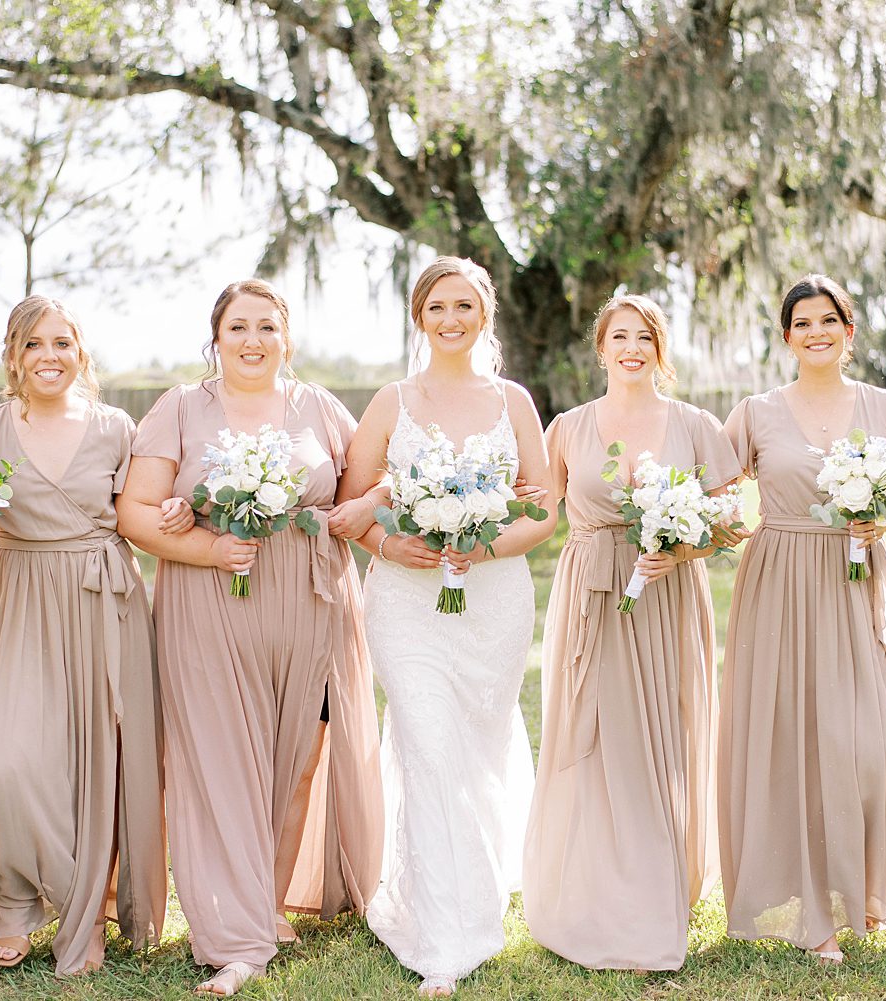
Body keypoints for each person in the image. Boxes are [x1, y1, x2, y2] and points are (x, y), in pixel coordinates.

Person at [117, 279, 384, 997]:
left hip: (310, 597)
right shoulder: (179, 407)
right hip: (210, 601)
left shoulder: (320, 408)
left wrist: (361, 512)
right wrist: (201, 541)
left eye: (268, 326)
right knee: (221, 759)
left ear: (286, 338)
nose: (253, 339)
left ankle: (263, 899)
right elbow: (135, 514)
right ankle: (235, 935)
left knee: (297, 754)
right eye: (239, 326)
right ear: (216, 337)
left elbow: (367, 490)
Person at [339, 256, 556, 996]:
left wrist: (481, 542)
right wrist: (387, 542)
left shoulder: (514, 401)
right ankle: (443, 936)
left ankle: (477, 877)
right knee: (427, 741)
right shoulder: (392, 399)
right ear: (418, 317)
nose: (451, 318)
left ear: (484, 314)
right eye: (437, 306)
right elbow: (352, 497)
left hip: (494, 598)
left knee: (478, 742)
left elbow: (543, 506)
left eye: (465, 305)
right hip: (404, 599)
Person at [718, 274, 886, 963]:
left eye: (829, 321)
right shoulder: (757, 411)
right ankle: (815, 913)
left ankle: (865, 890)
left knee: (867, 744)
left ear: (850, 332)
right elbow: (716, 492)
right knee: (793, 740)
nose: (815, 332)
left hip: (856, 583)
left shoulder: (885, 407)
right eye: (802, 323)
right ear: (786, 337)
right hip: (780, 581)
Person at [522, 294, 740, 971]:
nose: (632, 348)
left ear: (660, 347)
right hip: (591, 592)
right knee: (594, 734)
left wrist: (681, 549)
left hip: (668, 596)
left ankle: (658, 887)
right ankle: (595, 889)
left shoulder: (696, 423)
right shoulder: (569, 427)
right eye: (619, 336)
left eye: (644, 336)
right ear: (601, 347)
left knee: (662, 737)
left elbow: (733, 516)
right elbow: (537, 512)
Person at [0, 295, 166, 975]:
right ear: (13, 356)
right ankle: (13, 905)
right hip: (22, 598)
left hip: (103, 599)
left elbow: (144, 508)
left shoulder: (117, 428)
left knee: (98, 763)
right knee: (8, 760)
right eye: (33, 344)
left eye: (63, 343)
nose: (49, 356)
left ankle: (90, 913)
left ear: (82, 353)